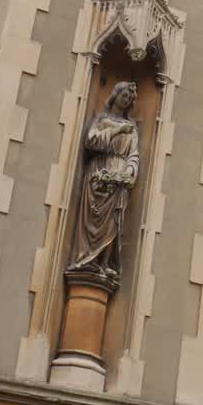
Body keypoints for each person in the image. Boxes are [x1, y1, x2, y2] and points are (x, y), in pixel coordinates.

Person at [68, 81, 140, 281]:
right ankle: (87, 260)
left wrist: (128, 171)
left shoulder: (132, 128)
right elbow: (91, 141)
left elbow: (133, 155)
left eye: (129, 98)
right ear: (115, 95)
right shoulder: (102, 120)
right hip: (99, 175)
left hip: (119, 180)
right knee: (94, 217)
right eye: (123, 95)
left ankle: (105, 263)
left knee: (114, 221)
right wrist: (116, 131)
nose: (125, 100)